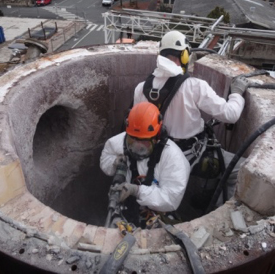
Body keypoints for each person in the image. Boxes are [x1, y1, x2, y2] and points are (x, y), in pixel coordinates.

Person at [133, 30, 249, 208]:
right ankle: (216, 211)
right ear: (185, 56)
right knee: (240, 170)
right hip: (194, 157)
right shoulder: (195, 87)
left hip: (155, 157)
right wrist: (237, 93)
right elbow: (230, 115)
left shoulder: (141, 88)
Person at [100, 102, 190, 226]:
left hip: (156, 214)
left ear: (157, 136)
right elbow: (106, 158)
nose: (138, 147)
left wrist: (137, 191)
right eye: (133, 140)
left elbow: (171, 198)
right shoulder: (119, 141)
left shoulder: (173, 157)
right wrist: (114, 162)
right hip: (126, 208)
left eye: (144, 142)